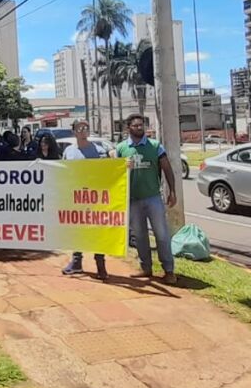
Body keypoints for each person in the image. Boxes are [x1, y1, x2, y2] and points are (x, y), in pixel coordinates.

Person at [115, 114, 177, 284]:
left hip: (153, 198)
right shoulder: (121, 149)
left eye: (141, 125)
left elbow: (167, 169)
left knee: (162, 234)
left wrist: (172, 191)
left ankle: (169, 270)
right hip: (132, 200)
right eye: (135, 126)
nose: (139, 128)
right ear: (128, 128)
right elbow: (115, 174)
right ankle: (146, 267)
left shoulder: (155, 146)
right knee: (140, 236)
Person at [61, 119, 109, 280]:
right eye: (79, 128)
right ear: (74, 131)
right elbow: (64, 172)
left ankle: (100, 264)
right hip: (76, 198)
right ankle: (76, 262)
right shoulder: (68, 151)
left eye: (86, 127)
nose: (83, 130)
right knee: (77, 229)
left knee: (97, 230)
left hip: (95, 198)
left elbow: (109, 171)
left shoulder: (100, 151)